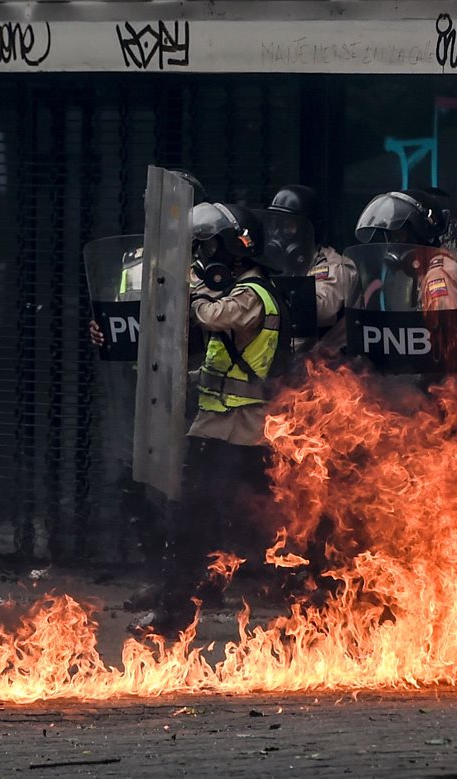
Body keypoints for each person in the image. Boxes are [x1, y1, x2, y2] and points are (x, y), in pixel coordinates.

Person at [139, 202, 292, 636]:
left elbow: (211, 316)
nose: (205, 258)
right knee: (196, 520)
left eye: (209, 248)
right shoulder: (237, 290)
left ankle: (308, 607)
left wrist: (190, 285)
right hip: (220, 426)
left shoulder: (253, 294)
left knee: (245, 523)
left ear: (235, 249)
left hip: (243, 429)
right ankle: (178, 606)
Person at [353, 188, 457, 385]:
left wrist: (421, 388)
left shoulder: (437, 276)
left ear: (421, 234)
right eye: (389, 239)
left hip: (456, 384)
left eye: (399, 237)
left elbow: (445, 348)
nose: (392, 246)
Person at [265, 185, 360, 354]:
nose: (278, 233)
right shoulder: (279, 265)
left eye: (288, 226)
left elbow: (321, 310)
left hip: (325, 362)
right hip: (287, 358)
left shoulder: (335, 266)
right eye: (275, 225)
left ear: (309, 228)